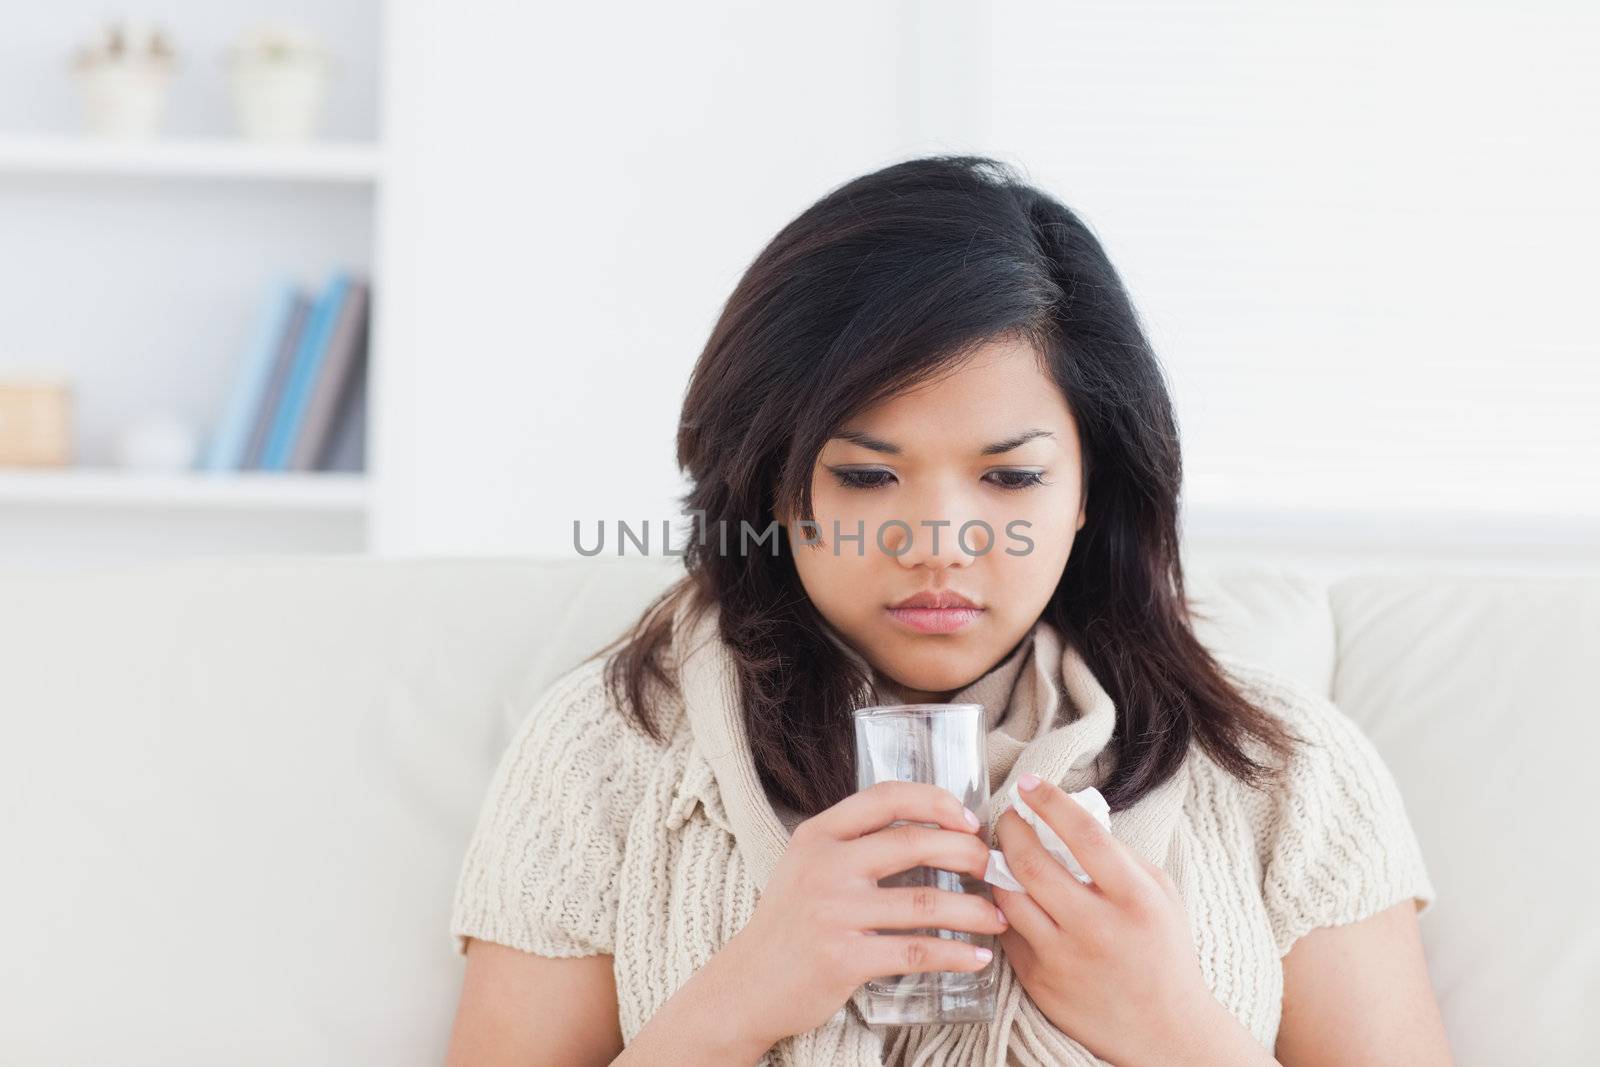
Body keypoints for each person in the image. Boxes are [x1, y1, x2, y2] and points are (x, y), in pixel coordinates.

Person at [443, 156, 1451, 1066]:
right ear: (768, 485)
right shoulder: (611, 753)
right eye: (867, 475)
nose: (937, 541)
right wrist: (736, 1000)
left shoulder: (1286, 773)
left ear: (1092, 486)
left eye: (1009, 477)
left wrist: (1171, 1025)